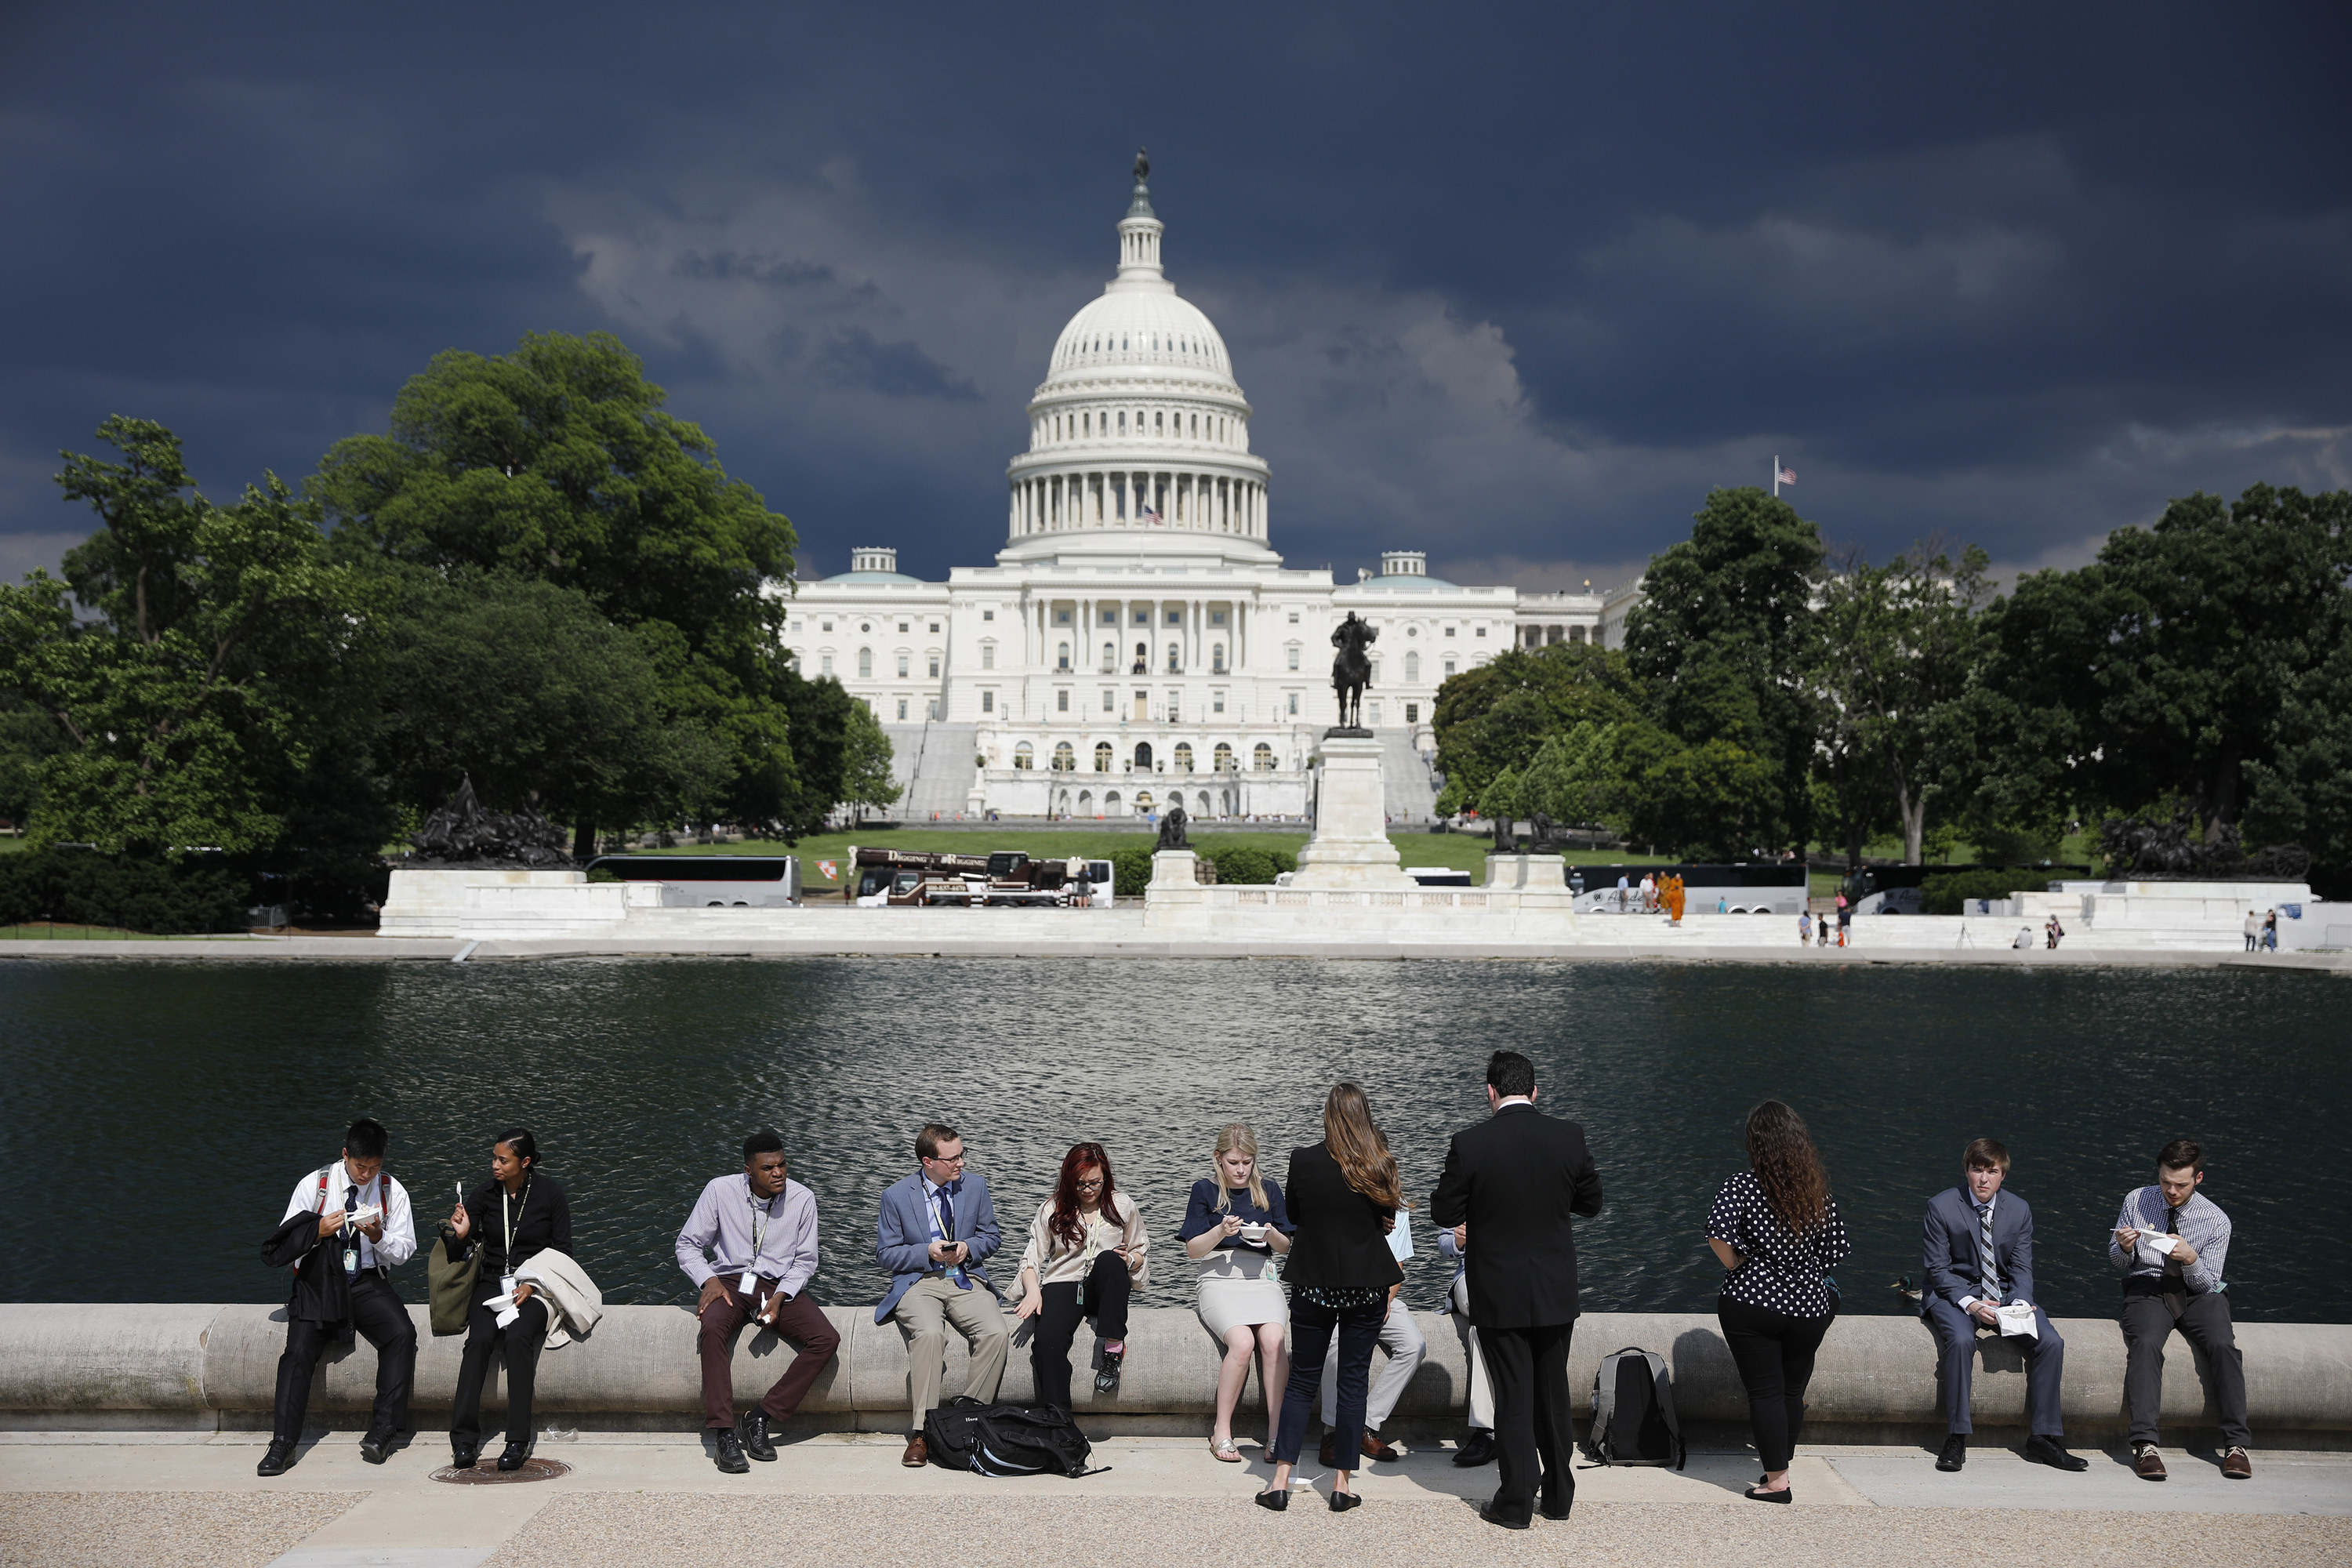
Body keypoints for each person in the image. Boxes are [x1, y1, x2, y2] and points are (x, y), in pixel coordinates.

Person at [1431, 1050, 1604, 1530]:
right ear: (1534, 1091)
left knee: (1511, 1397)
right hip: (1554, 1288)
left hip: (1499, 1291)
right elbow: (1591, 1202)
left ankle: (1515, 1502)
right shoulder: (1568, 1135)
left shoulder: (1471, 1143)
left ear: (1491, 1092)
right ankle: (1559, 1496)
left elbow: (1443, 1211)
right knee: (1551, 1393)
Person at [1257, 1083, 1408, 1514]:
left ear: (1328, 1115)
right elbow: (1388, 1220)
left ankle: (1280, 1480)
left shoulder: (1303, 1160)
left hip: (1314, 1283)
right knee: (1353, 1382)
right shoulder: (1379, 1163)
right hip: (1365, 1284)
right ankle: (1342, 1485)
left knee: (1302, 1379)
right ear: (1365, 1115)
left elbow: (1298, 1217)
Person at [1705, 1102, 1850, 1503]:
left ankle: (1777, 1482)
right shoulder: (1816, 1192)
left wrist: (1738, 1263)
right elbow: (1834, 1252)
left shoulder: (1741, 1184)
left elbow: (1718, 1235)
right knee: (1791, 1389)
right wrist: (1801, 1272)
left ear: (1756, 1144)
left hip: (1751, 1300)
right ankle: (1779, 1459)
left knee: (1765, 1392)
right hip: (1807, 1306)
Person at [258, 1118, 418, 1476]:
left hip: (364, 1279)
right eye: (361, 1167)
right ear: (345, 1155)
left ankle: (383, 1430)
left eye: (375, 1168)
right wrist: (317, 1229)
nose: (366, 1175)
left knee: (402, 1334)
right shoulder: (315, 1185)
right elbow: (280, 1247)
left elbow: (406, 1251)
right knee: (298, 1353)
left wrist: (378, 1237)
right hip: (318, 1281)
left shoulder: (392, 1191)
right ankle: (282, 1443)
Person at [673, 1131, 840, 1473]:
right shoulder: (720, 1190)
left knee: (826, 1339)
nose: (778, 1173)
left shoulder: (803, 1198)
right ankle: (723, 1434)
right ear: (748, 1171)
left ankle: (760, 1418)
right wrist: (709, 1280)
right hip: (730, 1282)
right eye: (768, 1168)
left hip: (778, 1284)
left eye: (782, 1165)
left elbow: (806, 1261)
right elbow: (687, 1245)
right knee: (714, 1327)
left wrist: (780, 1298)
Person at [1919, 1138, 2085, 1474]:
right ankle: (1956, 1436)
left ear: (2002, 1175)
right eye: (1977, 1170)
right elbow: (1937, 1270)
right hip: (1955, 1293)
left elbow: (2022, 1266)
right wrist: (1971, 1305)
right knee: (1963, 1341)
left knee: (2051, 1342)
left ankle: (2043, 1438)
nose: (1983, 1179)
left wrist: (2021, 1303)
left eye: (1991, 1171)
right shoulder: (1941, 1206)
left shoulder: (2019, 1209)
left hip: (2006, 1295)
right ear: (1966, 1171)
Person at [2111, 1139, 2251, 1480]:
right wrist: (2124, 1248)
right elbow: (2118, 1263)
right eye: (2165, 1182)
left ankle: (2236, 1445)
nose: (2171, 1191)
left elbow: (2208, 1282)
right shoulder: (2137, 1199)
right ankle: (2145, 1445)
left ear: (2198, 1179)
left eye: (2181, 1184)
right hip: (2149, 1286)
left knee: (2222, 1346)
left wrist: (2190, 1260)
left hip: (2199, 1291)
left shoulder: (2216, 1221)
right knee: (2144, 1344)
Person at [875, 1122, 1009, 1468]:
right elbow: (886, 1254)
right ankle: (922, 1432)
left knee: (996, 1332)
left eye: (962, 1155)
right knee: (931, 1335)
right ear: (928, 1162)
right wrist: (926, 1252)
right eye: (952, 1159)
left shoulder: (975, 1187)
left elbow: (991, 1238)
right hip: (920, 1281)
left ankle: (969, 1420)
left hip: (964, 1277)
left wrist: (967, 1247)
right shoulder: (896, 1195)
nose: (960, 1164)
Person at [445, 1127, 572, 1472]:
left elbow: (563, 1253)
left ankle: (517, 1440)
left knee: (518, 1339)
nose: (495, 1165)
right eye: (494, 1158)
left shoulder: (550, 1195)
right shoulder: (485, 1194)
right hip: (492, 1283)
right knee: (479, 1340)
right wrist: (459, 1234)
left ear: (525, 1162)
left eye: (503, 1160)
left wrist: (532, 1285)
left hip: (537, 1286)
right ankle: (463, 1439)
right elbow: (457, 1249)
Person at [1177, 1123, 1294, 1462]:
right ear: (1219, 1159)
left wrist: (1270, 1234)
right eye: (1234, 1162)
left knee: (1273, 1339)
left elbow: (1285, 1246)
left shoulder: (1269, 1190)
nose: (1241, 1170)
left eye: (1247, 1162)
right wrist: (1219, 1230)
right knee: (1242, 1343)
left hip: (1262, 1277)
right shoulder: (1204, 1190)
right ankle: (1221, 1432)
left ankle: (1276, 1434)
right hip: (1218, 1277)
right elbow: (1193, 1251)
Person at [1014, 1142, 1149, 1410]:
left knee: (1111, 1259)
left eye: (1095, 1183)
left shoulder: (1122, 1205)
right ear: (1068, 1180)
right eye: (1080, 1184)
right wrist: (1033, 1290)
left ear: (1105, 1178)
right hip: (1064, 1283)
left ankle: (1113, 1351)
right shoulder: (1052, 1209)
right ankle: (1058, 1416)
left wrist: (1130, 1259)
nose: (1088, 1191)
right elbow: (1032, 1258)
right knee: (1046, 1343)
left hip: (1104, 1287)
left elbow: (1140, 1249)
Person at [1314, 1215, 1425, 1466]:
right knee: (1335, 1345)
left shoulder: (1399, 1208)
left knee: (1414, 1346)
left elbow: (1397, 1267)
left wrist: (1384, 1302)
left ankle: (1367, 1425)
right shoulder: (1344, 1203)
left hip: (1382, 1297)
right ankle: (1332, 1432)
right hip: (1341, 1296)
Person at [1437, 1222, 1496, 1466]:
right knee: (1484, 1316)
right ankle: (1487, 1430)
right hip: (1471, 1273)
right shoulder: (1465, 1188)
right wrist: (1459, 1241)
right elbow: (1444, 1244)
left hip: (1518, 1272)